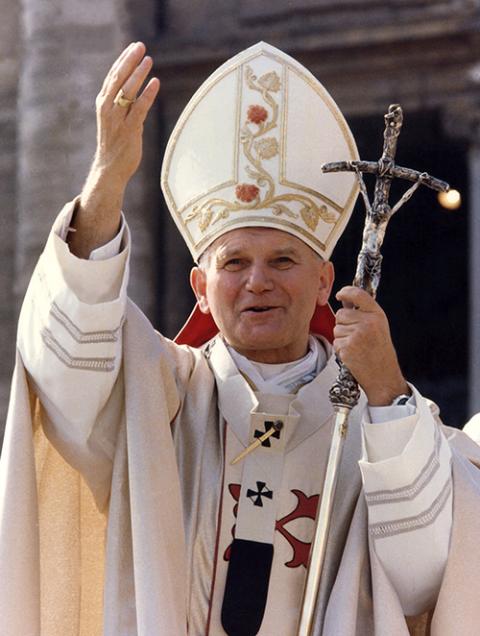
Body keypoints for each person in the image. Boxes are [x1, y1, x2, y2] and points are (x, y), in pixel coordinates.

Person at [1, 41, 480, 636]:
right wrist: (106, 181)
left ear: (325, 280)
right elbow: (65, 368)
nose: (258, 282)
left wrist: (385, 393)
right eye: (234, 265)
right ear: (201, 287)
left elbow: (426, 582)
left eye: (283, 260)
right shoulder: (156, 400)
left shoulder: (385, 427)